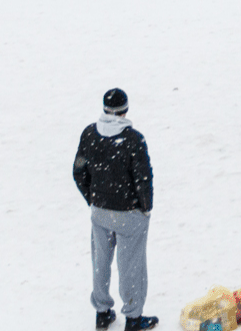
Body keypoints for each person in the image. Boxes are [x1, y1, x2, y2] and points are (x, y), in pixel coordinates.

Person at [73, 88, 159, 331]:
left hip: (100, 212)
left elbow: (78, 170)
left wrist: (93, 197)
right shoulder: (133, 139)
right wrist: (145, 208)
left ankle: (102, 312)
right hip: (129, 213)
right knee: (131, 265)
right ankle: (133, 318)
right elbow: (144, 179)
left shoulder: (89, 134)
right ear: (126, 110)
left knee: (101, 261)